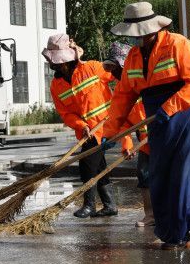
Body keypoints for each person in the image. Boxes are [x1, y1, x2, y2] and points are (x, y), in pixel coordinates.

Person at [104, 2, 190, 249]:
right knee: (161, 175)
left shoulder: (179, 45)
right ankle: (176, 227)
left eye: (139, 33)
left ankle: (181, 233)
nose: (136, 38)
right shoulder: (134, 58)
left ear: (153, 29)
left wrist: (168, 108)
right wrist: (110, 132)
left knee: (183, 172)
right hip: (159, 118)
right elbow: (123, 97)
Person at [43, 33, 132, 218]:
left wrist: (122, 101)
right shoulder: (56, 85)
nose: (56, 65)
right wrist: (80, 124)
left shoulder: (92, 68)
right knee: (98, 166)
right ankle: (109, 205)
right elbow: (65, 114)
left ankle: (89, 205)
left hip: (107, 127)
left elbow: (120, 75)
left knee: (87, 165)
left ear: (68, 59)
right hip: (87, 132)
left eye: (59, 62)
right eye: (54, 62)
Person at [103, 42, 154, 228]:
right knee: (144, 174)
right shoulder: (120, 89)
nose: (113, 73)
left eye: (116, 68)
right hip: (145, 143)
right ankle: (151, 215)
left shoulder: (143, 81)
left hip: (161, 137)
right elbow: (124, 122)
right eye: (111, 68)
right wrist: (126, 144)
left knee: (171, 174)